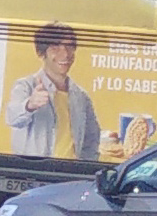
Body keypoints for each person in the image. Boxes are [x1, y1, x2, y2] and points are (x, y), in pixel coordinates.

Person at [7, 21, 101, 165]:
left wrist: (84, 168)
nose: (65, 54)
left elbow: (92, 139)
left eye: (69, 46)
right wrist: (30, 105)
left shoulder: (81, 96)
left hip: (68, 173)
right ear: (42, 52)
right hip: (35, 170)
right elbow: (12, 118)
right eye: (55, 48)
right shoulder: (26, 85)